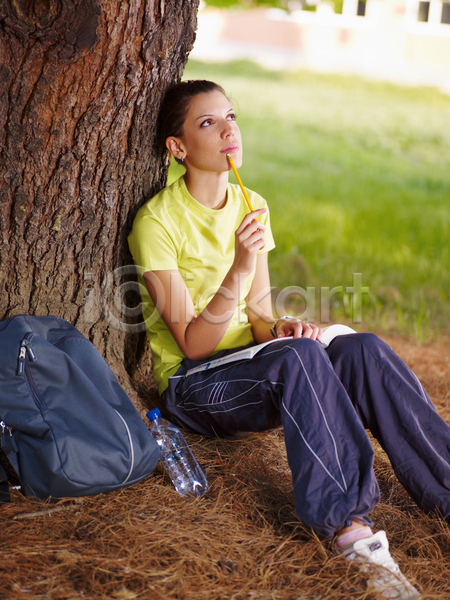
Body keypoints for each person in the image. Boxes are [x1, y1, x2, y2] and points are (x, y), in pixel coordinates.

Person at [129, 80, 450, 600]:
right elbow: (193, 345)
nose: (228, 130)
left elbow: (258, 315)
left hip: (258, 361)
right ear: (178, 147)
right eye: (208, 122)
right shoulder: (157, 222)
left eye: (231, 116)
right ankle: (352, 533)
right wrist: (239, 268)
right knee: (297, 357)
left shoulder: (250, 203)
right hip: (193, 386)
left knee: (361, 350)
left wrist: (281, 328)